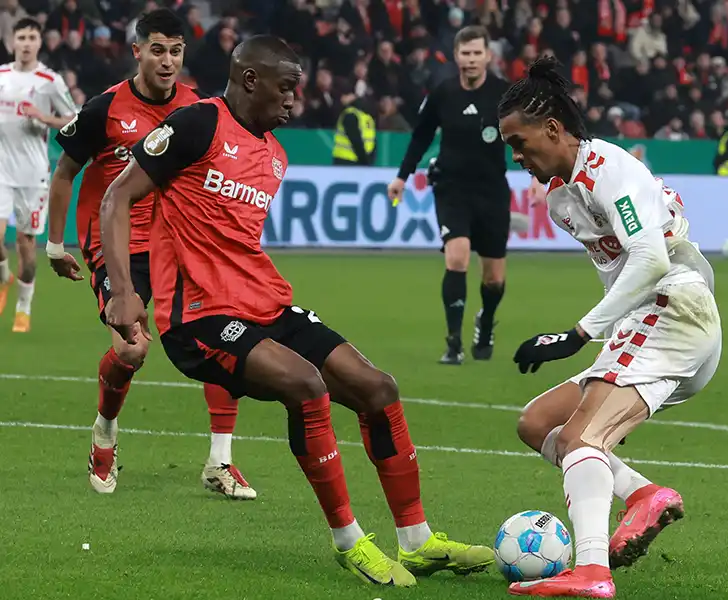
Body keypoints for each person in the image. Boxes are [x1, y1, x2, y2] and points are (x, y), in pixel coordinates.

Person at [99, 34, 493, 584]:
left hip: (264, 302)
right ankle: (348, 540)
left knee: (377, 388)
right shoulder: (196, 125)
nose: (294, 101)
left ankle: (418, 541)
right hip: (200, 317)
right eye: (286, 88)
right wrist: (123, 288)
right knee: (305, 384)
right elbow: (117, 197)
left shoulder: (276, 155)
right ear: (250, 80)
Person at [497, 56, 723, 598]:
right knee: (538, 424)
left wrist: (578, 333)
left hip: (675, 310)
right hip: (648, 325)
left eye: (520, 142)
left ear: (553, 128)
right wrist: (605, 334)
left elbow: (650, 260)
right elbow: (621, 274)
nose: (518, 156)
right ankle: (645, 496)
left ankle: (593, 572)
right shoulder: (561, 199)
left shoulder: (610, 168)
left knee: (580, 438)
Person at [46, 9, 255, 499]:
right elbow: (63, 174)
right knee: (133, 349)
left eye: (176, 51)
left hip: (177, 242)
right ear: (136, 50)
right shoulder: (104, 109)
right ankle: (105, 432)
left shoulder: (198, 108)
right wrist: (55, 244)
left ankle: (219, 461)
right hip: (116, 245)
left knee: (224, 339)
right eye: (157, 50)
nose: (167, 61)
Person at [387, 25, 512, 365]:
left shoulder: (505, 94)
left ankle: (485, 321)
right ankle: (453, 344)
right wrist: (402, 176)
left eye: (476, 53)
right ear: (456, 56)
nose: (471, 59)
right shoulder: (443, 93)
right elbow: (421, 137)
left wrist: (536, 176)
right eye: (465, 53)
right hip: (451, 188)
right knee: (457, 256)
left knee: (494, 278)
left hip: (492, 191)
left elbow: (525, 137)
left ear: (488, 56)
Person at [0, 18, 76, 332]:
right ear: (12, 41)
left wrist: (43, 117)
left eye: (32, 37)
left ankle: (23, 305)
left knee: (26, 244)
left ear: (39, 43)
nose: (27, 42)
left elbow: (74, 117)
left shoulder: (50, 80)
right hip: (1, 170)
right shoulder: (1, 75)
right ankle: (4, 275)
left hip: (33, 175)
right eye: (22, 37)